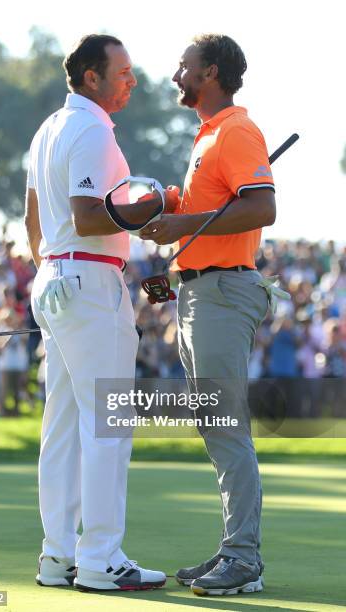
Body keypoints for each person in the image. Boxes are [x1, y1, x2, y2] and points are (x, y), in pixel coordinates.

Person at [25, 34, 167, 592]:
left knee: (62, 425)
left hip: (54, 278)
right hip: (86, 280)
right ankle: (101, 558)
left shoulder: (49, 128)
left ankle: (58, 555)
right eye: (123, 71)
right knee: (106, 422)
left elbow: (34, 218)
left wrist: (50, 266)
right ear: (92, 78)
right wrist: (154, 208)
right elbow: (90, 216)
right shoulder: (91, 129)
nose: (131, 80)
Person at [141, 34, 279, 596]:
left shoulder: (236, 130)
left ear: (211, 73)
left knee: (226, 427)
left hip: (224, 293)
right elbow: (216, 213)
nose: (177, 75)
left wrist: (181, 227)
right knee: (216, 426)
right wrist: (175, 218)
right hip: (202, 291)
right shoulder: (209, 136)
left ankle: (242, 559)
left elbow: (262, 205)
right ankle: (234, 550)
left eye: (185, 67)